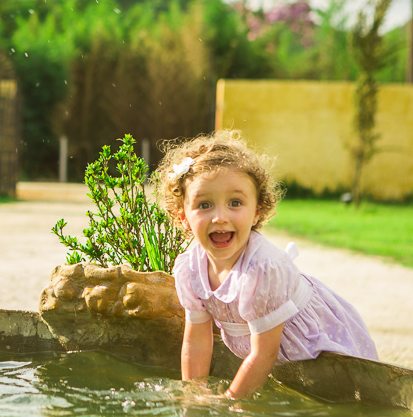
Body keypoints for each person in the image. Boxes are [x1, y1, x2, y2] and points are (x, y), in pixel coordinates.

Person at [154, 130, 377, 399]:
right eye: (204, 205)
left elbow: (263, 354)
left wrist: (230, 402)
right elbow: (196, 342)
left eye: (235, 203)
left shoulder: (262, 270)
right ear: (183, 218)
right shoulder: (191, 269)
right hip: (275, 355)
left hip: (315, 345)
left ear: (256, 211)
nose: (219, 217)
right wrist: (194, 395)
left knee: (341, 398)